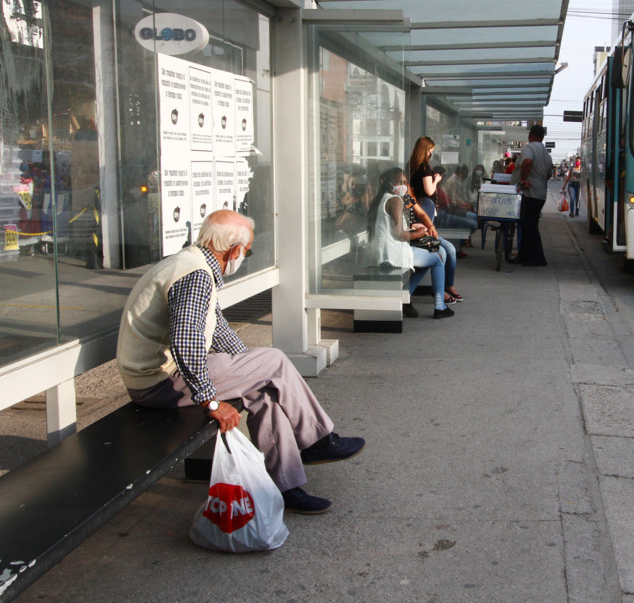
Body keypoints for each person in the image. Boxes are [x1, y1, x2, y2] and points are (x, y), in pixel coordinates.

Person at [117, 210, 365, 515]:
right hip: (161, 383)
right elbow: (186, 342)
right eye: (246, 252)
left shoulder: (192, 264)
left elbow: (217, 328)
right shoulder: (195, 275)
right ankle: (317, 441)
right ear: (235, 250)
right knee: (273, 359)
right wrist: (209, 402)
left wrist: (249, 367)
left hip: (161, 378)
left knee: (264, 390)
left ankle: (286, 485)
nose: (242, 257)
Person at [365, 167, 455, 318]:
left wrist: (415, 227)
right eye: (399, 182)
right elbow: (398, 234)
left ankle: (406, 294)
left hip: (387, 250)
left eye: (405, 183)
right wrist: (418, 233)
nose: (403, 186)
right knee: (437, 259)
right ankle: (440, 306)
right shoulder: (395, 200)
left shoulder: (385, 198)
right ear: (389, 183)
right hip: (394, 252)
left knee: (429, 259)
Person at [508, 125, 554, 266]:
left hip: (530, 194)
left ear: (530, 135)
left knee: (530, 226)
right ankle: (524, 256)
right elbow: (548, 174)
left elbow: (527, 161)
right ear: (542, 137)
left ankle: (537, 258)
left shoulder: (529, 148)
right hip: (539, 194)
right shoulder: (546, 153)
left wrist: (523, 179)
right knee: (527, 226)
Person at [408, 136, 442, 221]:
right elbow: (429, 191)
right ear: (425, 150)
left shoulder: (411, 166)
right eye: (430, 151)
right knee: (427, 229)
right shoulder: (424, 167)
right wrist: (436, 181)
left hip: (417, 202)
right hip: (426, 203)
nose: (430, 154)